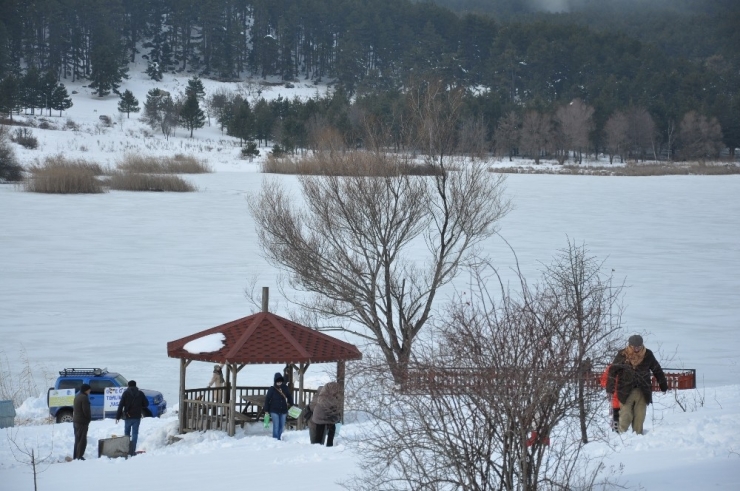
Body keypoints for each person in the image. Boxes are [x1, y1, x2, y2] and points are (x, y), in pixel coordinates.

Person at [606, 334, 668, 434]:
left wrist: (663, 385)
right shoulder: (622, 354)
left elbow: (657, 370)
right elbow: (613, 371)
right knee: (626, 415)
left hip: (643, 391)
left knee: (640, 416)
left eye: (639, 346)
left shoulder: (648, 354)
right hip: (625, 390)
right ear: (630, 345)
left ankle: (638, 437)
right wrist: (610, 388)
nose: (637, 349)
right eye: (635, 346)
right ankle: (622, 436)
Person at [116, 380, 149, 456]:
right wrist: (139, 406)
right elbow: (146, 404)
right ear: (135, 385)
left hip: (128, 416)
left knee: (126, 433)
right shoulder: (140, 393)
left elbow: (121, 405)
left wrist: (118, 416)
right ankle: (132, 451)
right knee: (135, 434)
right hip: (137, 416)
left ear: (128, 385)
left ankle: (126, 450)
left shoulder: (126, 393)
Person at [309, 381, 341, 447]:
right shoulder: (326, 397)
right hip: (322, 417)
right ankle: (326, 445)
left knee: (320, 431)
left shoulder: (322, 395)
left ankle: (320, 445)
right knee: (325, 431)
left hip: (320, 417)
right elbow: (333, 406)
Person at [263, 372, 293, 440]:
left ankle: (280, 439)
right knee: (276, 426)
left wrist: (291, 404)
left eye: (280, 382)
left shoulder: (285, 388)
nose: (279, 383)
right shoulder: (272, 389)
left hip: (283, 410)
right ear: (275, 381)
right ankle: (275, 440)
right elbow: (267, 399)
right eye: (278, 382)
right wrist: (266, 410)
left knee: (281, 426)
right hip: (274, 410)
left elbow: (289, 396)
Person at [72, 383, 92, 460]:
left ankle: (76, 455)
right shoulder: (84, 398)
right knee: (82, 440)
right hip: (82, 421)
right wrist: (89, 418)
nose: (90, 391)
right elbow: (86, 410)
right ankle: (79, 456)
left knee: (77, 439)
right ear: (86, 390)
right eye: (89, 389)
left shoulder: (77, 396)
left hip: (76, 421)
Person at [600, 365, 620, 431]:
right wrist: (610, 385)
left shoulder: (627, 367)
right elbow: (603, 381)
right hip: (614, 395)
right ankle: (615, 428)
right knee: (615, 412)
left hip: (622, 396)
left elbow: (603, 381)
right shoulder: (610, 368)